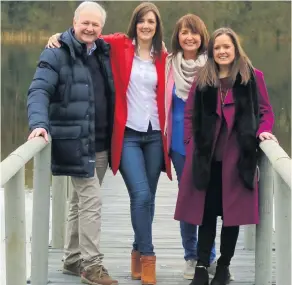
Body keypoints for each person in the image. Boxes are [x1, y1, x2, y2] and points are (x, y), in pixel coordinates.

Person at [47, 2, 170, 285]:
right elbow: (85, 34)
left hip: (154, 135)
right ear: (134, 23)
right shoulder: (118, 44)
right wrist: (57, 37)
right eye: (141, 21)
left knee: (148, 198)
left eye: (151, 21)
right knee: (139, 196)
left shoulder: (163, 54)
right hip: (127, 134)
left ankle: (135, 253)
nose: (146, 26)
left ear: (157, 25)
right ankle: (147, 256)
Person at [174, 27, 276, 285]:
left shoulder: (252, 78)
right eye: (217, 48)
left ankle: (223, 266)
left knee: (232, 216)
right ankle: (200, 266)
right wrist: (189, 143)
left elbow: (265, 111)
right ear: (211, 52)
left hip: (238, 159)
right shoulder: (203, 78)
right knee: (206, 214)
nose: (221, 51)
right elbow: (189, 115)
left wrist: (263, 132)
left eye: (226, 47)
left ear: (235, 49)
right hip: (207, 159)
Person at [27, 2, 118, 285]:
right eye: (85, 23)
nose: (90, 28)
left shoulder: (102, 50)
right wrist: (39, 124)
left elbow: (135, 42)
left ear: (101, 28)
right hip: (74, 140)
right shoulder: (56, 52)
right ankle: (91, 265)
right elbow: (39, 89)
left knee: (80, 201)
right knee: (91, 198)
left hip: (100, 140)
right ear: (74, 22)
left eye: (95, 25)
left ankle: (71, 258)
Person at [164, 14, 219, 280]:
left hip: (208, 143)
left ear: (202, 37)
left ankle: (208, 255)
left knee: (207, 199)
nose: (189, 37)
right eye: (184, 32)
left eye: (194, 33)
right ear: (178, 36)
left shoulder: (212, 66)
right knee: (187, 199)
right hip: (178, 143)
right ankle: (190, 255)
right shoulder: (167, 64)